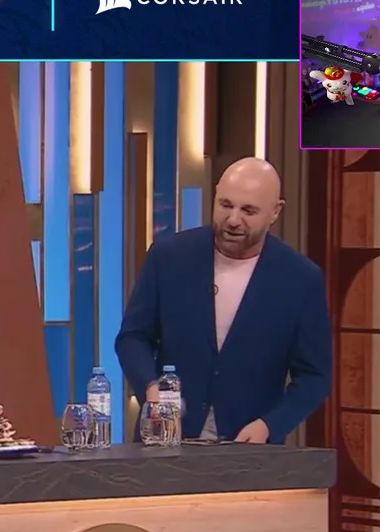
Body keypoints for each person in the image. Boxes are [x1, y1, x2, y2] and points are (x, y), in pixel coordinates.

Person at [115, 158, 333, 445]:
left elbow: (315, 377)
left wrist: (270, 425)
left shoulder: (300, 279)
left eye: (248, 211)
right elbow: (132, 338)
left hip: (249, 450)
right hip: (164, 441)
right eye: (225, 205)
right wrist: (151, 388)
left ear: (275, 212)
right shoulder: (169, 257)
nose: (233, 220)